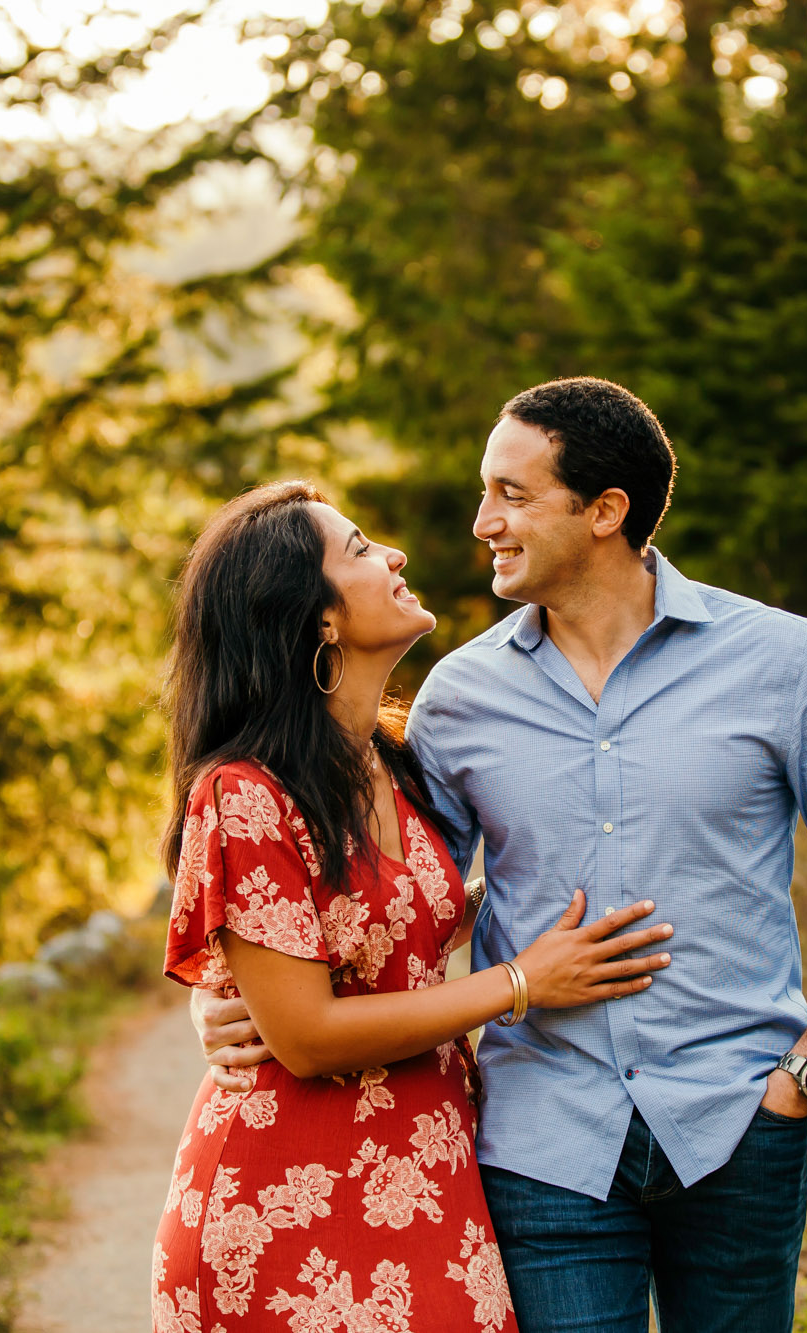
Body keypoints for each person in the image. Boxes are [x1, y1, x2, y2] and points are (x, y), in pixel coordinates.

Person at [197, 377, 807, 1332]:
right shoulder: (460, 697)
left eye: (512, 495)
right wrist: (230, 991)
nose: (482, 523)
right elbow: (393, 902)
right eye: (483, 492)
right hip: (544, 1147)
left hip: (739, 1128)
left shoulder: (783, 662)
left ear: (605, 511)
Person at [153, 480, 675, 1333]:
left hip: (427, 1179)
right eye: (359, 549)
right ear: (318, 619)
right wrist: (520, 982)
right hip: (287, 1203)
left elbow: (406, 918)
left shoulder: (388, 760)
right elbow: (306, 1034)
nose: (393, 555)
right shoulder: (242, 793)